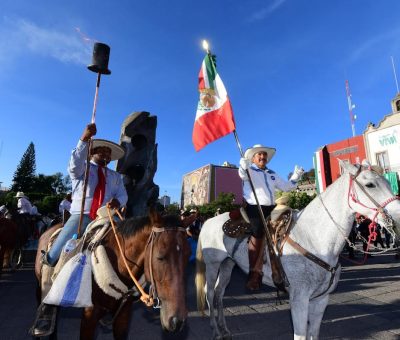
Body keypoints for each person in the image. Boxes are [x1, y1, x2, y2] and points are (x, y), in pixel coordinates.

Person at [43, 123, 128, 266]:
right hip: (83, 215)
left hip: (107, 217)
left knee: (127, 241)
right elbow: (74, 165)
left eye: (108, 152)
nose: (106, 154)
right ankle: (48, 260)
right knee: (58, 251)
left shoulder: (116, 176)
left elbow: (123, 195)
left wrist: (118, 202)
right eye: (102, 150)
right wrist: (84, 139)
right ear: (92, 152)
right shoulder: (82, 168)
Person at [239, 144, 304, 291]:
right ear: (253, 158)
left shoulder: (271, 173)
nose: (262, 157)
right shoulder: (249, 170)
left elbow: (286, 187)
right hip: (254, 206)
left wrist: (296, 175)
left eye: (264, 155)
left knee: (288, 223)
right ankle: (254, 272)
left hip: (271, 207)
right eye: (259, 155)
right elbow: (242, 175)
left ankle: (283, 262)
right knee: (258, 232)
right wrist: (242, 166)